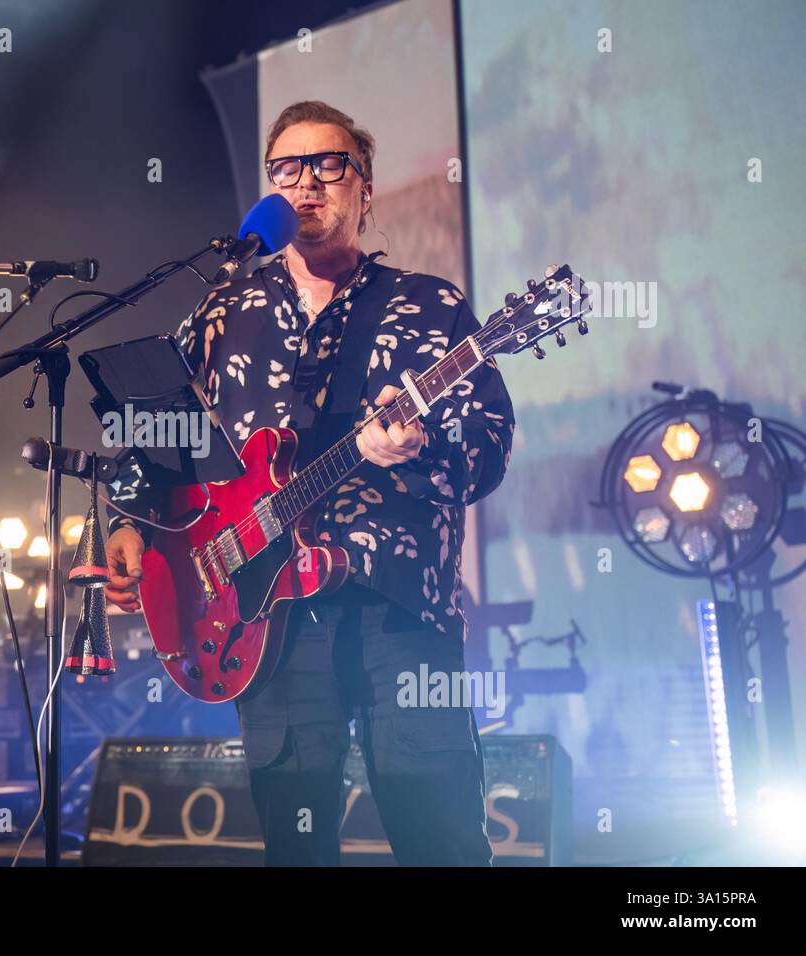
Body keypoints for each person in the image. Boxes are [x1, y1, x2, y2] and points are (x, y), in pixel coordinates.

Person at [104, 101, 515, 866]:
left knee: (442, 839)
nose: (307, 184)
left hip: (400, 607)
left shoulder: (429, 307)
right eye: (287, 169)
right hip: (261, 617)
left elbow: (489, 445)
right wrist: (130, 523)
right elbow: (156, 429)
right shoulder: (227, 307)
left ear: (365, 189)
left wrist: (418, 449)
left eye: (330, 166)